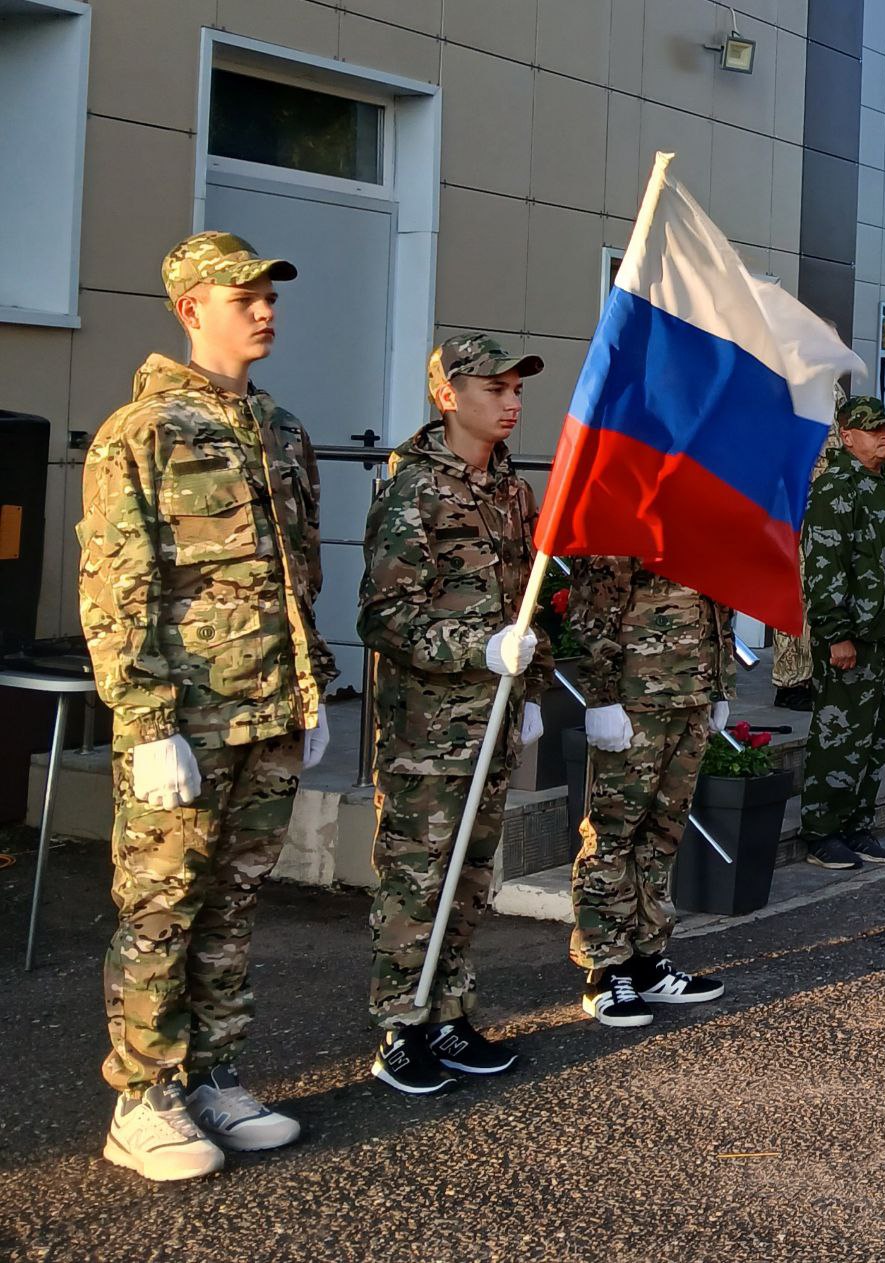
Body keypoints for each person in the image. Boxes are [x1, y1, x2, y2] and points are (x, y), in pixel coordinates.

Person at [77, 230, 337, 1182]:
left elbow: (294, 580)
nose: (264, 309)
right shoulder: (139, 433)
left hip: (267, 711)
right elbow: (117, 589)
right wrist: (145, 723)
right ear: (191, 309)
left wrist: (311, 693)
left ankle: (211, 1072)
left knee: (232, 903)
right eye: (243, 297)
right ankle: (140, 1097)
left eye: (269, 294)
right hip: (186, 721)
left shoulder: (281, 429)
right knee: (161, 905)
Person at [357, 333, 552, 1094]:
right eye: (494, 389)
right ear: (448, 395)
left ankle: (447, 1009)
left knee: (470, 876)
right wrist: (481, 646)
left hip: (493, 717)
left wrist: (528, 690)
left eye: (516, 391)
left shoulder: (509, 488)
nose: (511, 403)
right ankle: (400, 1024)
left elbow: (526, 605)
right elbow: (384, 615)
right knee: (418, 876)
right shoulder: (414, 489)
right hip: (428, 728)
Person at [567, 561, 735, 1027]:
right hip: (636, 696)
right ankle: (606, 970)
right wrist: (600, 697)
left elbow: (719, 599)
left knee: (663, 835)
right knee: (613, 834)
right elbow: (593, 606)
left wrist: (719, 684)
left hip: (692, 693)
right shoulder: (630, 506)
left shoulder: (704, 511)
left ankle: (646, 958)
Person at [799, 396, 885, 871]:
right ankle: (822, 832)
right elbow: (824, 568)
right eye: (872, 430)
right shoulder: (836, 488)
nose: (884, 436)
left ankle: (855, 825)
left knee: (874, 737)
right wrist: (835, 634)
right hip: (852, 639)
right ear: (847, 437)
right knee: (839, 736)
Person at [770, 384, 847, 710]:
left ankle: (815, 674)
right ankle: (789, 681)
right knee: (795, 596)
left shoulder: (833, 389)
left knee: (821, 595)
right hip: (796, 511)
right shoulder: (789, 384)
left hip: (828, 510)